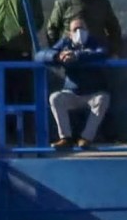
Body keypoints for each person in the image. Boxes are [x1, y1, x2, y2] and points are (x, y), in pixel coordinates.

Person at [0, 0, 44, 140]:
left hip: (20, 50)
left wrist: (26, 30)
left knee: (20, 94)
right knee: (0, 94)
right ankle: (3, 134)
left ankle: (21, 135)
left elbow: (38, 19)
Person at [35, 17, 110, 149]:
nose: (79, 32)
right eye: (75, 29)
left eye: (82, 28)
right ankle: (65, 138)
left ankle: (86, 139)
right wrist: (58, 56)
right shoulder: (65, 43)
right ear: (69, 33)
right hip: (72, 92)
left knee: (103, 98)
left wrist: (77, 56)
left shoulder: (94, 42)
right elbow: (40, 56)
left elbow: (102, 52)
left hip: (92, 93)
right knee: (55, 98)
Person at [46, 0, 122, 56]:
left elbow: (114, 29)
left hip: (96, 54)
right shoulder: (63, 4)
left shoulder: (103, 4)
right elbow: (52, 29)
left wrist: (112, 50)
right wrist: (57, 52)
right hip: (69, 56)